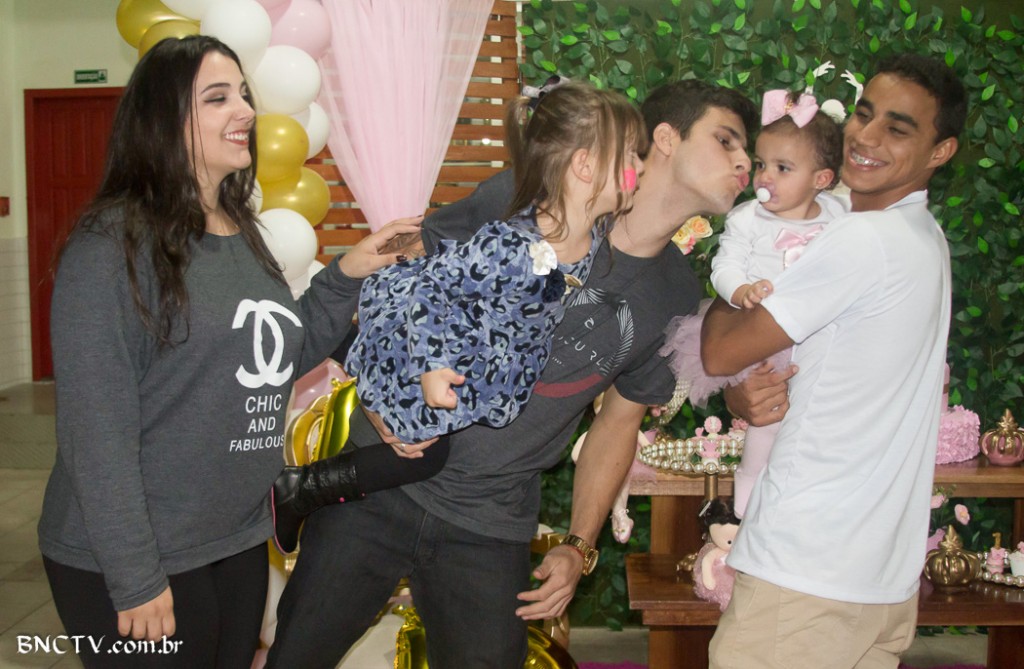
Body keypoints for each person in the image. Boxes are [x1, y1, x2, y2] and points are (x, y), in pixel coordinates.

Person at [267, 79, 762, 668]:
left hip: (491, 525)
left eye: (748, 151)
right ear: (664, 139)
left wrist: (579, 545)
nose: (744, 162)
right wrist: (379, 394)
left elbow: (618, 422)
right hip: (378, 484)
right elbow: (405, 278)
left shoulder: (675, 293)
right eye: (726, 140)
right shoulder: (524, 197)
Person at [36, 35, 418, 668]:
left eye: (243, 93)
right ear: (163, 120)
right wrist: (134, 576)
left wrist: (347, 273)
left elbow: (276, 360)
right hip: (139, 556)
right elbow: (94, 435)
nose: (245, 110)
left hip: (233, 539)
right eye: (217, 98)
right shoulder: (111, 246)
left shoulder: (240, 231)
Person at [270, 82, 647, 554]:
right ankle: (300, 487)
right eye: (630, 156)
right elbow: (431, 291)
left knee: (424, 444)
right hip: (434, 340)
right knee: (422, 454)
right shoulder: (512, 244)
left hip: (476, 358)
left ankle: (347, 355)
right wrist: (431, 367)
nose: (641, 167)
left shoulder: (592, 234)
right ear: (585, 165)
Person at [702, 53, 966, 668]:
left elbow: (719, 352)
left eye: (897, 129)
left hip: (806, 572)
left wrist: (731, 280)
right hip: (879, 577)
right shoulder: (924, 236)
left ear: (940, 151)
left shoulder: (862, 239)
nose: (866, 137)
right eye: (864, 114)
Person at [661, 89, 846, 517]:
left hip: (822, 336)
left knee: (817, 417)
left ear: (821, 179)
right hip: (765, 333)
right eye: (762, 164)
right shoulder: (747, 218)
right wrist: (739, 290)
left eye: (783, 168)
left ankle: (813, 494)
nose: (765, 177)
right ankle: (748, 486)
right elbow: (724, 265)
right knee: (768, 416)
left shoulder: (839, 216)